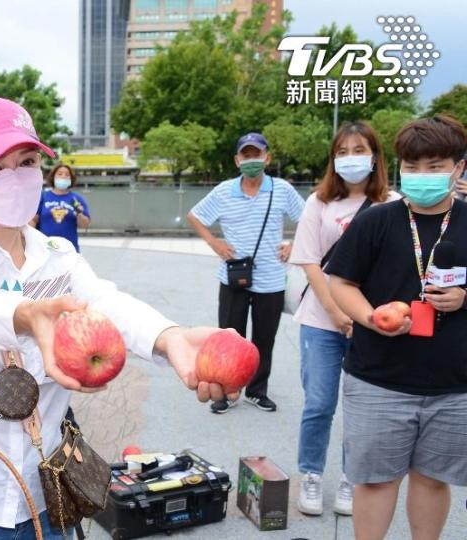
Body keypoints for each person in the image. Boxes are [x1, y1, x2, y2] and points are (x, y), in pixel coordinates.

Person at [0, 96, 237, 539]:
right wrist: (27, 316)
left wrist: (168, 337)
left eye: (25, 162)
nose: (15, 178)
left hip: (49, 493)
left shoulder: (58, 257)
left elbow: (106, 302)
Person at [327, 114, 467, 540]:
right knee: (375, 481)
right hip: (378, 380)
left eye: (436, 166)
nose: (422, 176)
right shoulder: (376, 221)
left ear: (459, 167)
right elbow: (340, 281)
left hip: (454, 386)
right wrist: (369, 317)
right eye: (412, 167)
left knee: (432, 479)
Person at [289, 121, 400, 517]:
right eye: (343, 151)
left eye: (359, 150)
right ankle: (312, 474)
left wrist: (363, 316)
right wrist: (338, 313)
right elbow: (310, 263)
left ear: (375, 156)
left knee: (362, 406)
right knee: (319, 403)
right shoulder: (319, 203)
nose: (351, 158)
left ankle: (353, 478)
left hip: (371, 324)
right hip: (321, 322)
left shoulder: (394, 203)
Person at [187, 132, 305, 414]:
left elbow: (307, 217)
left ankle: (256, 390)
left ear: (267, 157)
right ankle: (225, 392)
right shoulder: (225, 190)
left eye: (257, 154)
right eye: (246, 155)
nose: (252, 160)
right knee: (228, 338)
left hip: (272, 279)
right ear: (237, 160)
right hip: (233, 276)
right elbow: (195, 216)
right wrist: (215, 243)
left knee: (265, 339)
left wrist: (294, 246)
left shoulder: (281, 190)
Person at [32, 163, 90, 252]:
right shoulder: (43, 197)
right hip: (45, 248)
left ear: (71, 179)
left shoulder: (76, 199)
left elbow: (84, 225)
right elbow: (33, 221)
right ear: (53, 177)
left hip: (69, 250)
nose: (63, 176)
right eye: (60, 174)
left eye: (67, 175)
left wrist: (79, 213)